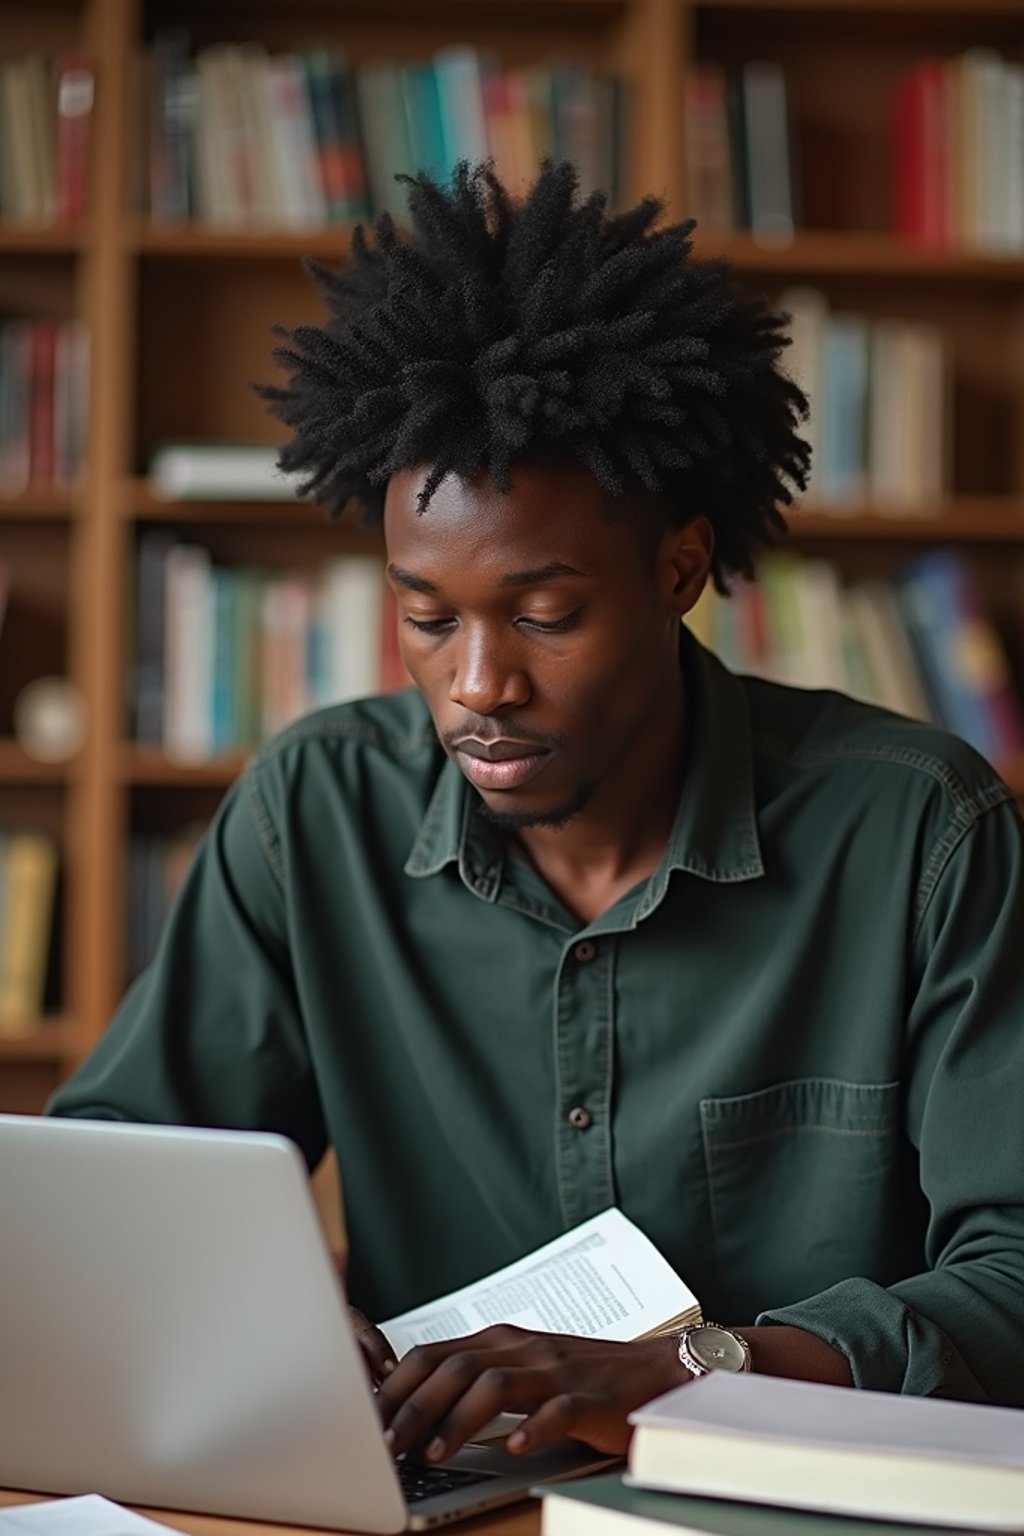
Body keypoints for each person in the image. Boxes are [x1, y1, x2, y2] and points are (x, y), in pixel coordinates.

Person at [51, 162, 1024, 1457]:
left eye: (546, 615)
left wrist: (688, 1373)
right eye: (426, 616)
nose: (478, 684)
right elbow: (114, 1186)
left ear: (680, 570)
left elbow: (1014, 1273)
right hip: (444, 1492)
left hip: (802, 1495)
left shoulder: (917, 832)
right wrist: (267, 1324)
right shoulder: (315, 809)